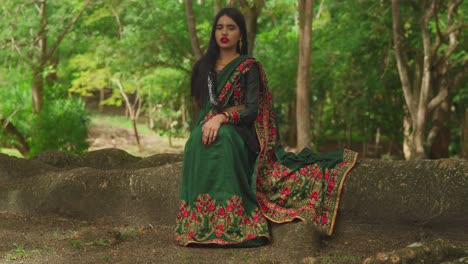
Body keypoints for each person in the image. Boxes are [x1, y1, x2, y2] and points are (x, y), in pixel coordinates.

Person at [176, 7, 358, 247]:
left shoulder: (248, 67)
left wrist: (222, 118)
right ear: (213, 32)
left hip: (241, 132)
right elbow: (201, 104)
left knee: (225, 139)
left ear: (240, 34)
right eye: (220, 27)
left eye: (231, 28)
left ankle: (236, 224)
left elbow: (251, 110)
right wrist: (213, 118)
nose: (224, 32)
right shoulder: (203, 68)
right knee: (196, 140)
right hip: (208, 124)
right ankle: (198, 225)